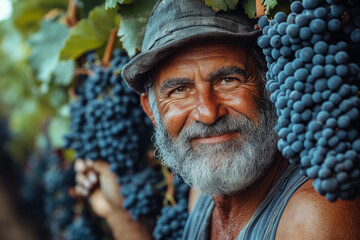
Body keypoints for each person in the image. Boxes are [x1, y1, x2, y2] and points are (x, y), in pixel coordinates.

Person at [75, 0, 360, 239]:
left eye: (228, 80)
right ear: (151, 110)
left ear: (271, 85)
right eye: (180, 90)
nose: (208, 113)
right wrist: (116, 212)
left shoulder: (311, 218)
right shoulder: (201, 193)